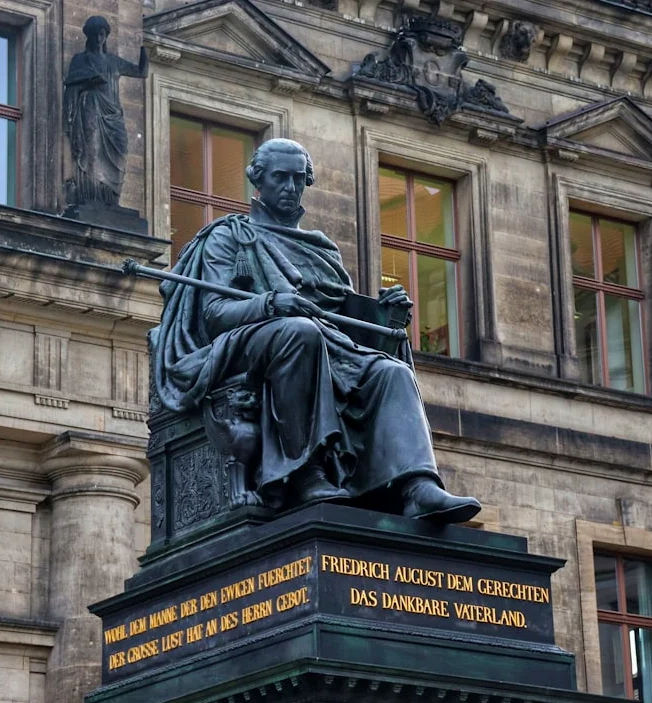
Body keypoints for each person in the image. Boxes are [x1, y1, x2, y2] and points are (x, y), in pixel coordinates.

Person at [150, 138, 481, 523]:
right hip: (245, 343)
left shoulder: (321, 249)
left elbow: (342, 324)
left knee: (392, 372)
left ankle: (417, 487)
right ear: (258, 181)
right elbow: (215, 314)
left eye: (297, 179)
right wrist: (272, 304)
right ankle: (305, 472)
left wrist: (383, 319)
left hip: (322, 343)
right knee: (299, 333)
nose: (290, 188)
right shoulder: (229, 237)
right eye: (280, 178)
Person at [64, 16, 148, 207]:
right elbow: (71, 83)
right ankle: (92, 196)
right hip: (91, 107)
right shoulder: (80, 59)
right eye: (95, 35)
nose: (99, 38)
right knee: (91, 151)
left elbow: (141, 72)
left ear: (106, 36)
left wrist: (144, 48)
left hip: (113, 114)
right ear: (89, 36)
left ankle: (111, 198)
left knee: (120, 150)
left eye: (102, 34)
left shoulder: (114, 61)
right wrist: (89, 82)